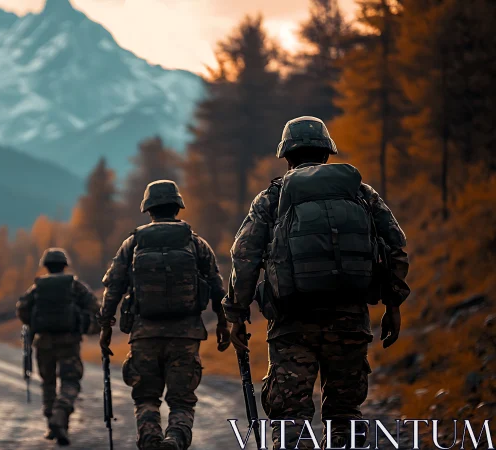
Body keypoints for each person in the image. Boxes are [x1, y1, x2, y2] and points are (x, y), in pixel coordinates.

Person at [222, 116, 410, 449]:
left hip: (292, 323)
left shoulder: (272, 198)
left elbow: (244, 256)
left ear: (287, 156)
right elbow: (395, 245)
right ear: (326, 153)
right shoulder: (360, 193)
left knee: (290, 417)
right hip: (349, 321)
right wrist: (392, 305)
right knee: (345, 413)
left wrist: (236, 314)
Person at [98, 180, 231, 450]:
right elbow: (218, 287)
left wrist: (105, 326)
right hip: (185, 336)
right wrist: (224, 324)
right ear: (177, 207)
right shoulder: (195, 243)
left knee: (146, 399)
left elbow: (113, 287)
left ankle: (151, 441)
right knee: (182, 401)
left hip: (144, 335)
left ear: (148, 209)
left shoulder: (133, 243)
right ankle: (175, 440)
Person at [16, 247, 99, 446]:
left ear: (46, 266)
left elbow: (22, 309)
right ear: (64, 265)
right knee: (70, 380)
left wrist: (35, 324)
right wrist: (85, 324)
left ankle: (51, 422)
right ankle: (60, 414)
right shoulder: (75, 286)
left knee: (48, 382)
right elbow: (94, 306)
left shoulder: (37, 287)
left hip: (43, 342)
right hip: (69, 342)